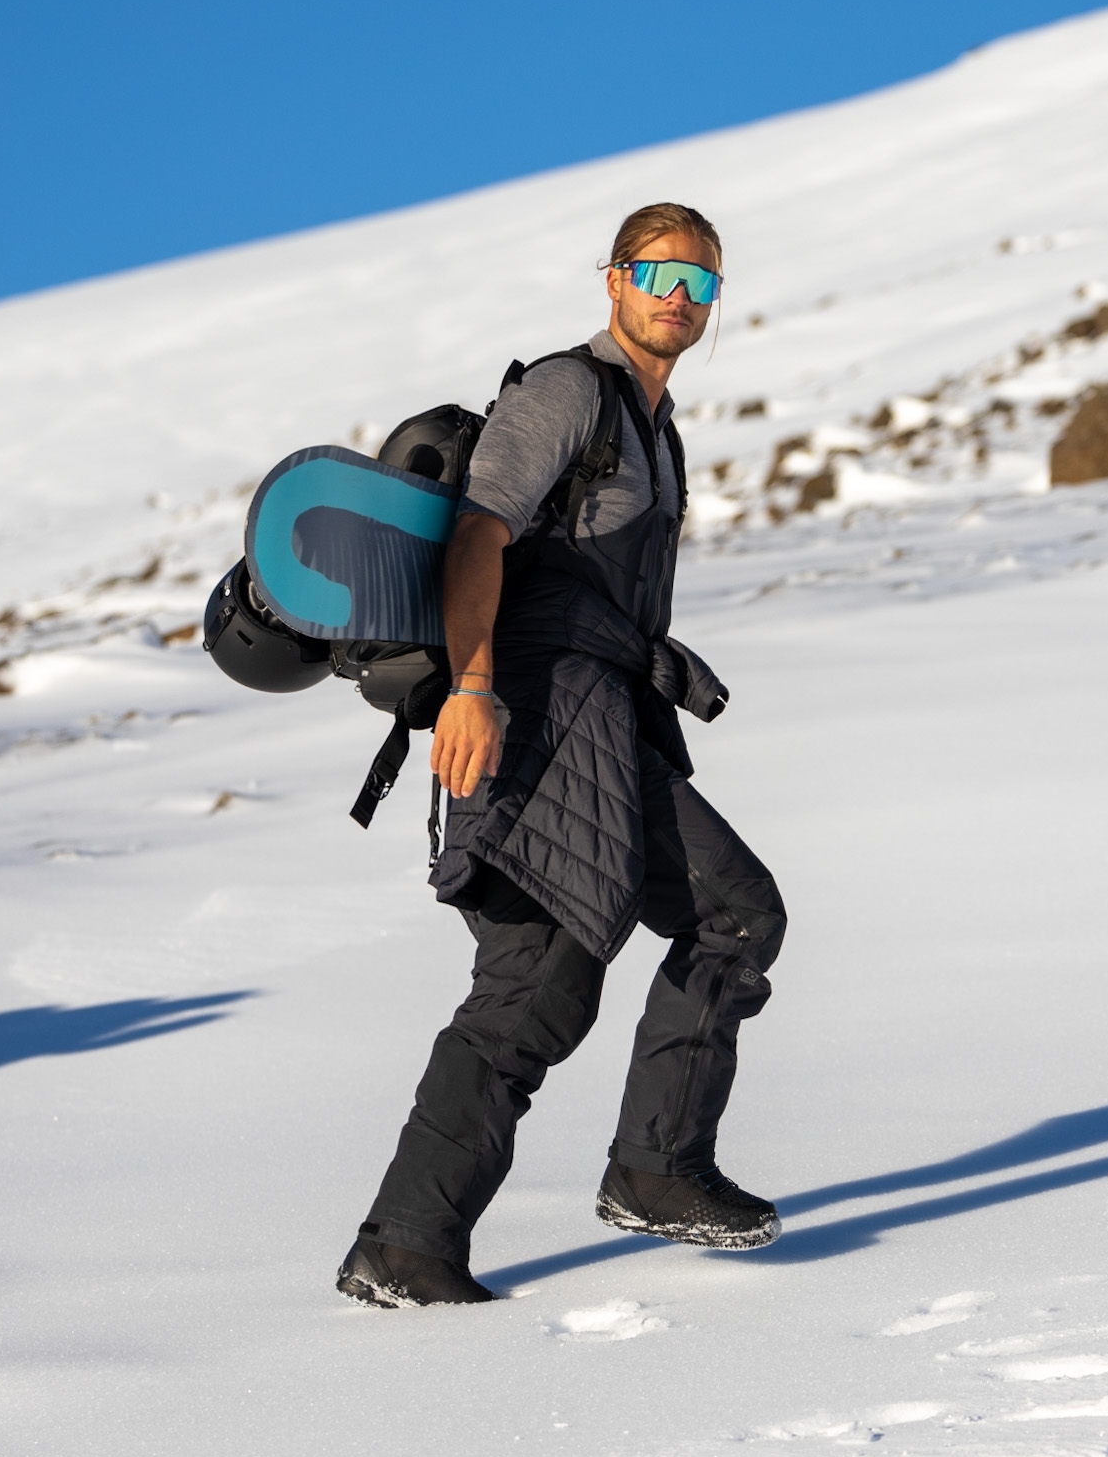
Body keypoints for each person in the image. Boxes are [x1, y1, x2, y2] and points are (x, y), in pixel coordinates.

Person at [337, 203, 787, 1308]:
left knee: (723, 916)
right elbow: (478, 538)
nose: (676, 296)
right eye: (656, 273)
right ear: (613, 280)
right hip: (531, 710)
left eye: (698, 283)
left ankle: (648, 1168)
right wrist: (476, 687)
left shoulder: (654, 426)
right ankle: (412, 1243)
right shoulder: (565, 393)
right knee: (538, 983)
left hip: (604, 713)